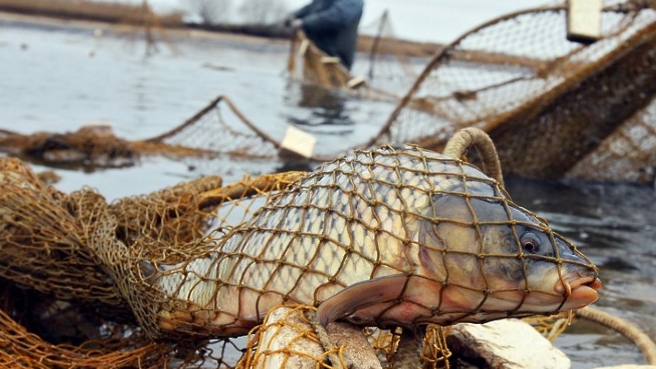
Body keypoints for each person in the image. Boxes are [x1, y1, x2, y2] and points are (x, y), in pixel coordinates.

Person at [286, 0, 364, 70]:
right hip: (316, 54)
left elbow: (337, 16)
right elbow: (311, 7)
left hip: (336, 59)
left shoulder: (354, 1)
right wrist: (294, 15)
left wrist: (303, 23)